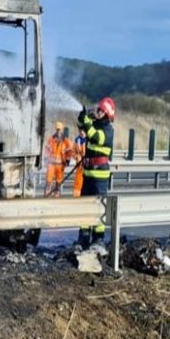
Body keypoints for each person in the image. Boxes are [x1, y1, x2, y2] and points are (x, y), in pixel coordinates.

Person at [77, 97, 116, 246]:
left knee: (99, 207)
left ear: (106, 113)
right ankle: (84, 236)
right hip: (88, 173)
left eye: (100, 110)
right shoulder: (95, 125)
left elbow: (95, 136)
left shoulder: (108, 130)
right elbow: (84, 129)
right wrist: (83, 118)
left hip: (100, 175)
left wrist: (87, 122)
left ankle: (98, 238)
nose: (97, 112)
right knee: (85, 205)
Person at [44, 122, 72, 197]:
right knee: (49, 179)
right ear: (55, 129)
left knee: (59, 180)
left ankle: (57, 193)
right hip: (51, 164)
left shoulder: (66, 141)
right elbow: (46, 149)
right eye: (57, 129)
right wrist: (46, 159)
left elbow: (69, 151)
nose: (58, 131)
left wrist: (68, 160)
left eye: (59, 129)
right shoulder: (51, 139)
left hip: (60, 165)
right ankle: (47, 192)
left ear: (61, 130)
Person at [72, 129, 87, 197]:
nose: (81, 132)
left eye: (83, 130)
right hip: (79, 165)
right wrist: (77, 157)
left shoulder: (89, 140)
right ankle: (77, 195)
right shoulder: (77, 140)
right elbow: (73, 152)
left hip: (87, 164)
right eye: (80, 130)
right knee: (78, 180)